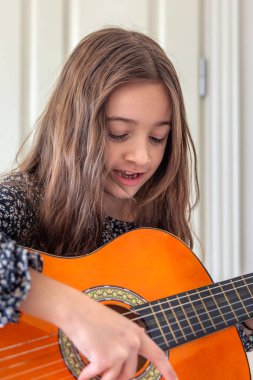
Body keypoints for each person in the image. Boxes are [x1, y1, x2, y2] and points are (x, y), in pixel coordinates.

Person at [0, 27, 252, 380]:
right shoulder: (24, 200)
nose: (141, 156)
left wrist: (242, 323)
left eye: (157, 137)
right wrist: (75, 311)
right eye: (118, 133)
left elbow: (167, 351)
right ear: (75, 126)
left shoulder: (152, 226)